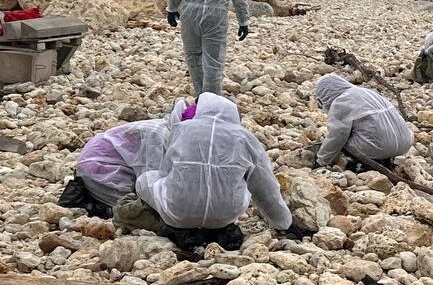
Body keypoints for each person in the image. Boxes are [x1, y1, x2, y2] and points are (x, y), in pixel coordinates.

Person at [117, 93, 310, 248]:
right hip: (224, 216)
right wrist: (284, 223)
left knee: (146, 179)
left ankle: (162, 222)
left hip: (177, 214)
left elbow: (166, 173)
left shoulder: (181, 130)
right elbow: (265, 188)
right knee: (248, 182)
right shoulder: (245, 138)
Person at [59, 108, 181, 218]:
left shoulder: (165, 128)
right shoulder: (159, 136)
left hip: (98, 161)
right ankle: (105, 210)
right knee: (140, 208)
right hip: (100, 169)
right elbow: (152, 180)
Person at [312, 74, 412, 172]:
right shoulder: (367, 92)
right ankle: (386, 160)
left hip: (381, 147)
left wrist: (321, 161)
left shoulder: (341, 101)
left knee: (343, 139)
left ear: (326, 94)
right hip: (405, 142)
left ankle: (364, 165)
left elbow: (336, 137)